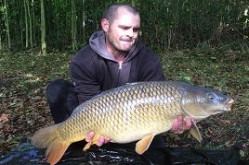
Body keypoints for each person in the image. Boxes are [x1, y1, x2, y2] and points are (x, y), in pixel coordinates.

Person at [46, 3, 192, 164]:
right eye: (124, 28)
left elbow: (161, 102)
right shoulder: (84, 60)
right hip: (100, 119)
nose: (131, 34)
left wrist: (177, 122)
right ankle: (71, 140)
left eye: (135, 29)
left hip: (137, 122)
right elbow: (88, 103)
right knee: (57, 89)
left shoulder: (148, 60)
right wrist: (99, 130)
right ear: (106, 25)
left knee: (157, 158)